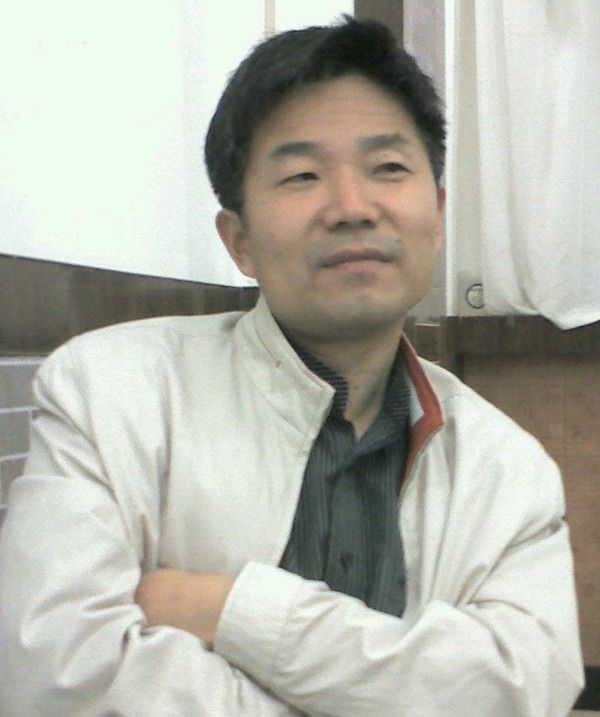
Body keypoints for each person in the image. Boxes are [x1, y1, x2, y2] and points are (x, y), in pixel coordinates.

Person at [0, 16, 583, 717]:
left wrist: (232, 609)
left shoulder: (509, 470)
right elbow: (55, 678)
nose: (352, 207)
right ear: (239, 240)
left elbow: (522, 692)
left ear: (435, 214)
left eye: (388, 168)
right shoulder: (109, 394)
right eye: (302, 175)